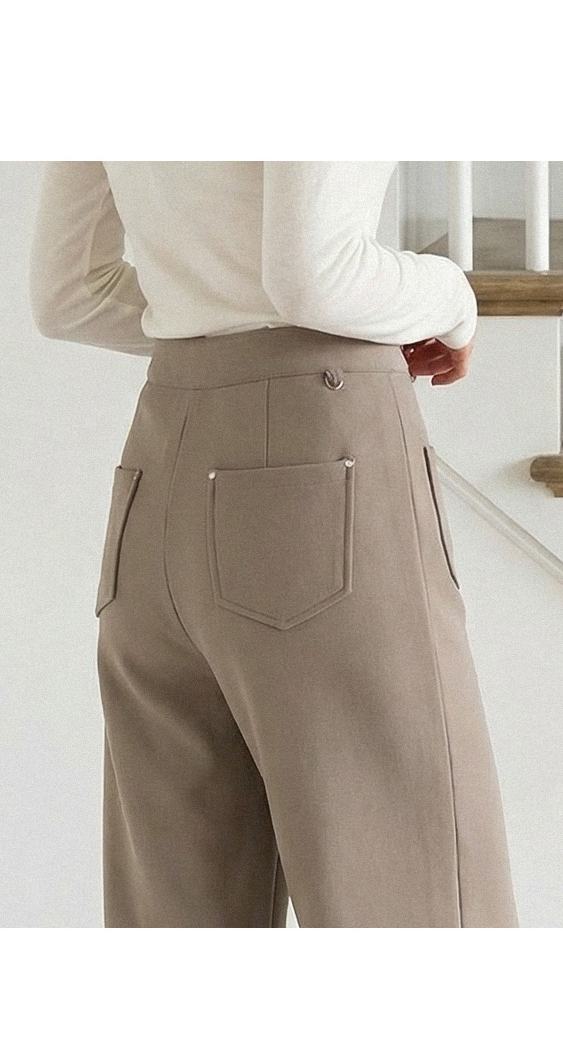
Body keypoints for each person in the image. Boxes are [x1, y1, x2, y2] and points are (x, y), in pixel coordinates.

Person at [28, 161, 518, 928]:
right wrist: (453, 298)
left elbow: (68, 294)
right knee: (411, 898)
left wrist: (204, 318)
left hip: (161, 475)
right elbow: (313, 276)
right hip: (315, 455)